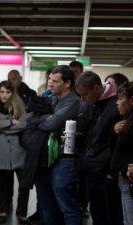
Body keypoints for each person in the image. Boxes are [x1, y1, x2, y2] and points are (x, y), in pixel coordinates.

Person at [34, 65, 82, 225]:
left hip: (64, 159)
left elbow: (50, 124)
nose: (50, 84)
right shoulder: (52, 97)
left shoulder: (74, 101)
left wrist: (42, 119)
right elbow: (30, 117)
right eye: (49, 80)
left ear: (67, 83)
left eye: (55, 81)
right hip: (45, 158)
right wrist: (45, 118)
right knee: (47, 206)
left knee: (67, 207)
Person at [75, 71, 123, 225]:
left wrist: (111, 171)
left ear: (96, 88)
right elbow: (91, 135)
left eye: (85, 94)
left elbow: (116, 140)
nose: (83, 99)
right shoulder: (91, 103)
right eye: (80, 95)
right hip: (91, 168)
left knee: (112, 215)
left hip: (106, 172)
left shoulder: (116, 104)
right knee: (97, 213)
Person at [0, 80, 30, 225]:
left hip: (18, 149)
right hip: (0, 149)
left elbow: (24, 125)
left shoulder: (19, 105)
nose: (4, 95)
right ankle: (2, 212)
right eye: (2, 92)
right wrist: (11, 122)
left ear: (12, 93)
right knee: (1, 184)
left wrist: (1, 128)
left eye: (8, 92)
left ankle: (22, 212)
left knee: (24, 184)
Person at [110, 81, 133, 225]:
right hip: (124, 178)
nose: (117, 103)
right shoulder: (126, 120)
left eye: (120, 99)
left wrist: (125, 169)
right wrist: (114, 132)